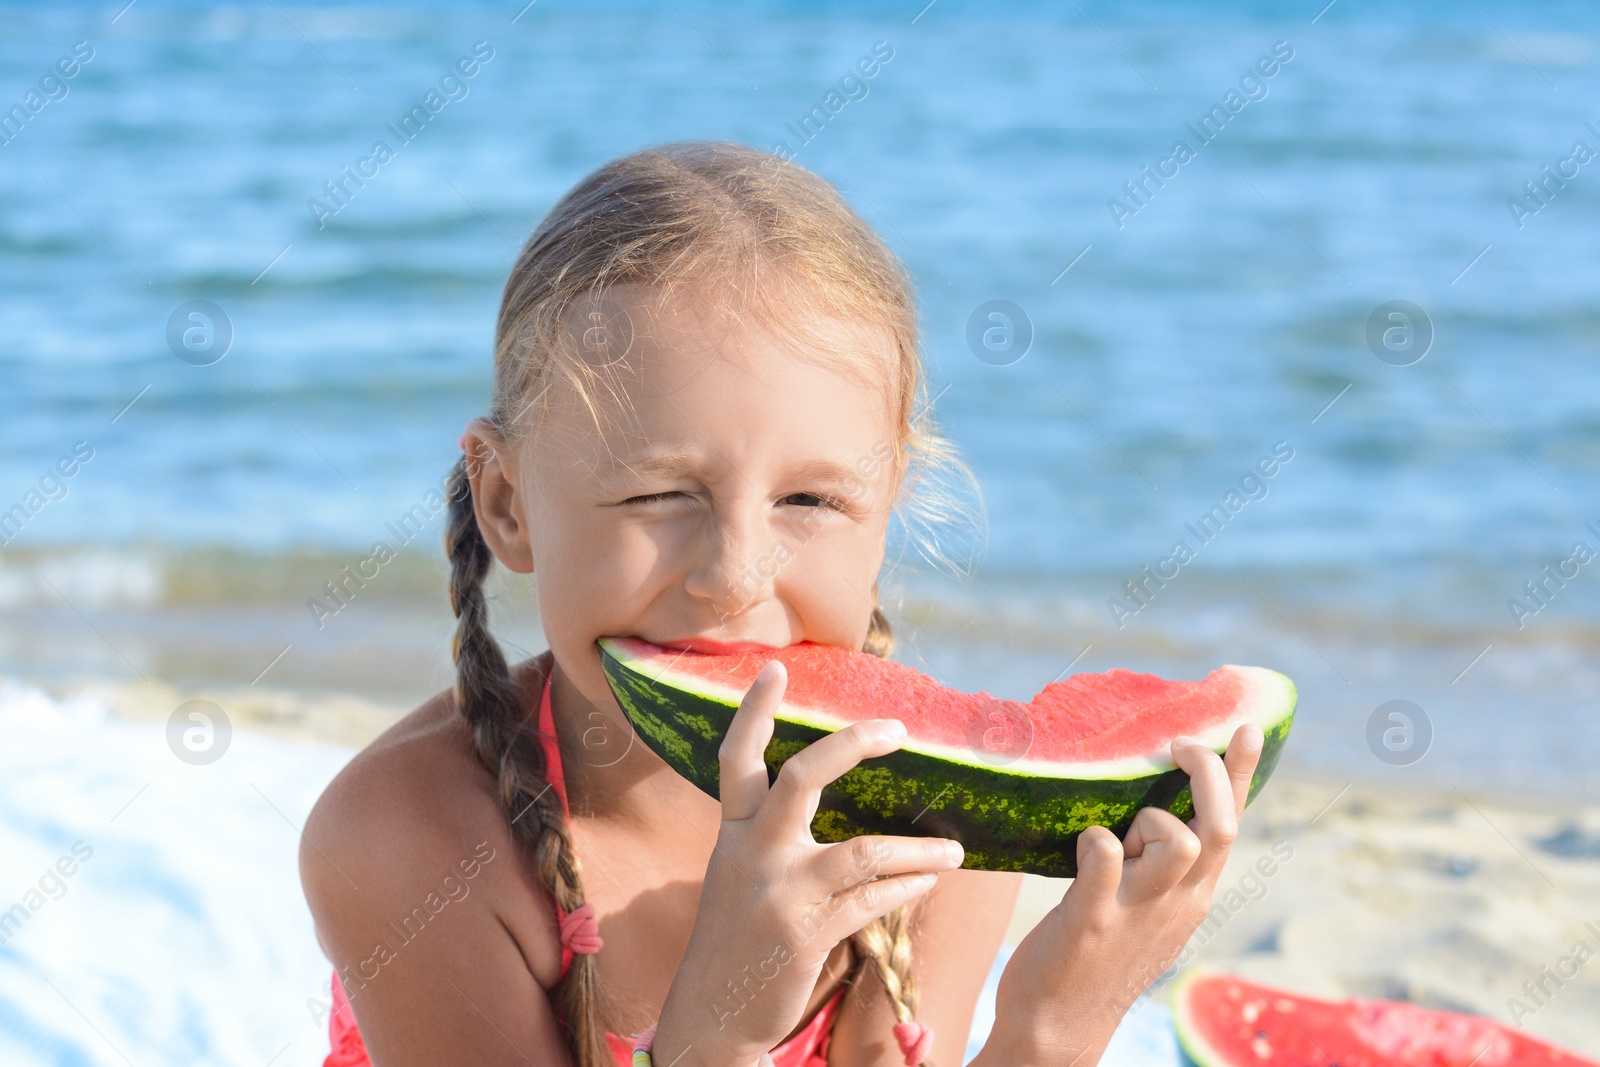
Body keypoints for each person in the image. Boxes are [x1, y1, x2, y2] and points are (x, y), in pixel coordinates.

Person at [299, 140, 1262, 1067]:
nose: (735, 573)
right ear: (506, 504)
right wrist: (715, 1029)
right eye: (657, 495)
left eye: (810, 499)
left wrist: (1054, 1029)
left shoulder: (942, 826)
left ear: (885, 514)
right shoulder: (409, 841)